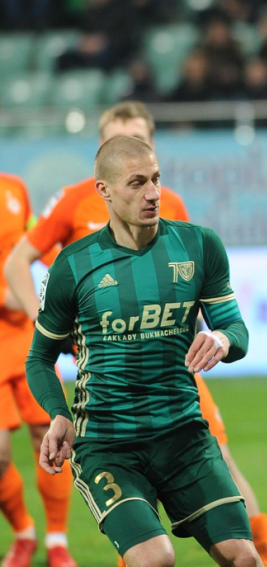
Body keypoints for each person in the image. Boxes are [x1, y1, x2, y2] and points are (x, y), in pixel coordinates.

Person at [3, 101, 267, 567]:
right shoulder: (73, 264)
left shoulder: (198, 243)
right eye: (137, 182)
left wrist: (224, 341)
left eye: (155, 177)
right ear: (104, 191)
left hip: (184, 436)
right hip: (109, 443)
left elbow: (236, 328)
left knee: (245, 557)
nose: (153, 192)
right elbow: (39, 358)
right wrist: (58, 413)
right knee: (155, 558)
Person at [0, 174, 75, 567]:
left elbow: (36, 239)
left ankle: (57, 541)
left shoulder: (13, 189)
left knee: (50, 436)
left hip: (26, 339)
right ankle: (23, 531)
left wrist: (68, 268)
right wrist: (4, 296)